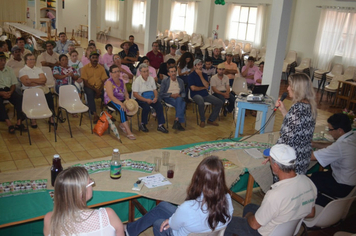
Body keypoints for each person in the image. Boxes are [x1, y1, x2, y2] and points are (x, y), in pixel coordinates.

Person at [125, 155, 233, 236]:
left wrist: (170, 221)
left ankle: (130, 230)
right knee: (163, 206)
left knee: (159, 224)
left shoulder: (188, 207)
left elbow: (175, 225)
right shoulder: (227, 199)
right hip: (207, 230)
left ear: (198, 178)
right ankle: (130, 230)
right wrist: (172, 220)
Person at [225, 144, 317, 236]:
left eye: (270, 160)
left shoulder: (275, 194)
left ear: (276, 166)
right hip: (288, 230)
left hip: (267, 233)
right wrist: (289, 216)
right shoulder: (307, 181)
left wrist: (248, 217)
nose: (268, 161)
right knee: (249, 207)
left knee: (227, 223)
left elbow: (254, 225)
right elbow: (311, 213)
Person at [43, 166, 125, 236]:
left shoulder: (49, 219)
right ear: (81, 192)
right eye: (90, 182)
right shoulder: (108, 215)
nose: (92, 183)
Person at [274, 73, 317, 181]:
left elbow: (286, 137)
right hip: (303, 157)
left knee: (284, 190)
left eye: (290, 85)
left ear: (297, 88)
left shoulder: (297, 108)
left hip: (290, 160)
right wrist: (284, 111)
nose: (287, 88)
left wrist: (273, 154)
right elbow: (295, 128)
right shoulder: (310, 107)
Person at [310, 113, 356, 207]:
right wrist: (315, 144)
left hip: (342, 186)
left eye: (330, 129)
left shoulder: (340, 146)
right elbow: (333, 147)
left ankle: (326, 205)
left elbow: (312, 157)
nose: (329, 132)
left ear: (340, 130)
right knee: (316, 175)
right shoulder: (352, 135)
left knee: (311, 181)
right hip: (351, 182)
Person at [19, 53, 55, 128]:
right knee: (33, 95)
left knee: (49, 96)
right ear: (26, 61)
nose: (32, 61)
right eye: (30, 59)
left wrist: (31, 80)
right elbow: (26, 83)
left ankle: (51, 117)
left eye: (33, 59)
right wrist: (39, 82)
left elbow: (44, 80)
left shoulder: (38, 69)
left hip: (41, 89)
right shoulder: (23, 70)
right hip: (29, 90)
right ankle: (33, 119)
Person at [132, 63, 168, 133]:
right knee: (146, 107)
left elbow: (155, 90)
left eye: (147, 71)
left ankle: (160, 125)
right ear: (140, 72)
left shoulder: (151, 79)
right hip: (140, 98)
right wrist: (146, 100)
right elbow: (135, 94)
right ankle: (143, 124)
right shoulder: (137, 80)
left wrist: (155, 97)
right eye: (144, 71)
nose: (146, 73)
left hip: (151, 97)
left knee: (159, 106)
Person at [104, 65, 136, 140]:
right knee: (122, 109)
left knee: (132, 108)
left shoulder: (121, 81)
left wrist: (127, 98)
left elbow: (125, 93)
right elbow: (111, 96)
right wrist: (121, 104)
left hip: (121, 99)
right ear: (111, 73)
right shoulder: (109, 82)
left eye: (118, 71)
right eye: (115, 72)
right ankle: (129, 132)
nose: (117, 73)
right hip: (111, 100)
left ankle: (122, 124)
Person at [188, 59, 223, 128]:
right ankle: (202, 120)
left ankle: (211, 119)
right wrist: (203, 88)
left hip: (205, 94)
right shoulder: (191, 75)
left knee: (219, 102)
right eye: (198, 65)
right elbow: (193, 88)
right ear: (195, 66)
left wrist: (200, 75)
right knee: (200, 101)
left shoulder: (204, 75)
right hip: (195, 94)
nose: (200, 66)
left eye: (201, 64)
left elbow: (207, 86)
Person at [0, 52, 26, 134]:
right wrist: (1, 93)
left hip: (9, 89)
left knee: (19, 98)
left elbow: (13, 83)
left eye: (4, 60)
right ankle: (8, 123)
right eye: (1, 60)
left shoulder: (9, 69)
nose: (3, 62)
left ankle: (19, 122)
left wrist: (10, 92)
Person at [81, 51, 108, 123]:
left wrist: (100, 90)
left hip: (100, 87)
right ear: (90, 59)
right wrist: (96, 90)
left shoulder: (101, 68)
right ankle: (95, 114)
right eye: (93, 58)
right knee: (90, 94)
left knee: (107, 94)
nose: (95, 59)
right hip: (89, 87)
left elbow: (103, 81)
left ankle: (108, 114)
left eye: (96, 58)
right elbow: (85, 83)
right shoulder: (85, 68)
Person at [159, 66, 186, 131]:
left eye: (174, 71)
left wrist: (180, 95)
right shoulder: (165, 81)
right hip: (169, 98)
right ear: (168, 73)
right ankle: (178, 122)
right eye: (172, 72)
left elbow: (184, 93)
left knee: (180, 100)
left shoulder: (180, 81)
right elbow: (161, 93)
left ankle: (177, 120)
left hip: (178, 97)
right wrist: (171, 95)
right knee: (183, 104)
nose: (173, 73)